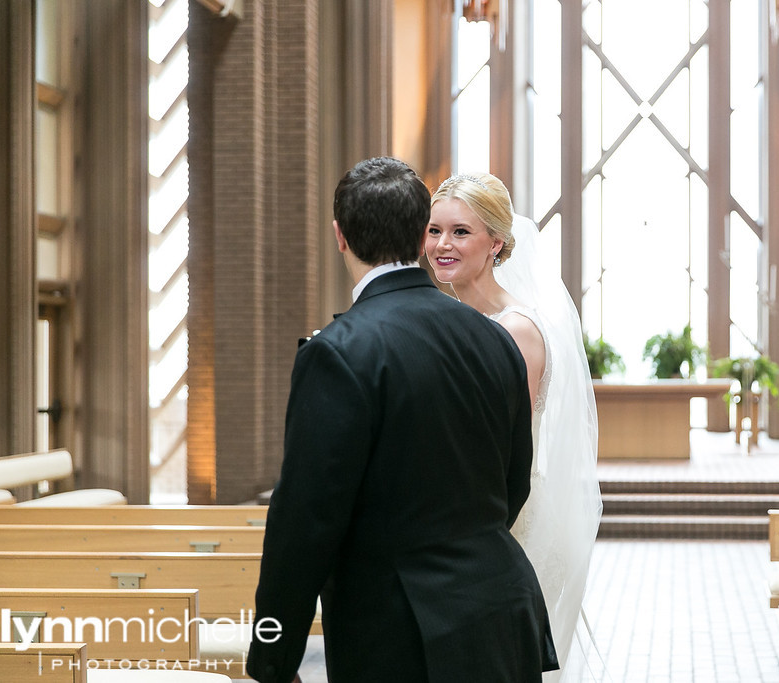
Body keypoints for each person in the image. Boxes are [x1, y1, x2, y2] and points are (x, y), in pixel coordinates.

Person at [246, 157, 558, 683]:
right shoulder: (495, 339)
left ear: (340, 236)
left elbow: (304, 518)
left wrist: (273, 654)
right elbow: (512, 479)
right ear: (421, 236)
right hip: (503, 612)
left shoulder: (338, 353)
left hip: (401, 632)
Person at [426, 173, 603, 682]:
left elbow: (499, 448)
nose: (442, 244)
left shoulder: (516, 330)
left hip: (504, 523)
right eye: (435, 230)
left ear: (496, 243)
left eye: (461, 232)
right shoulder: (454, 318)